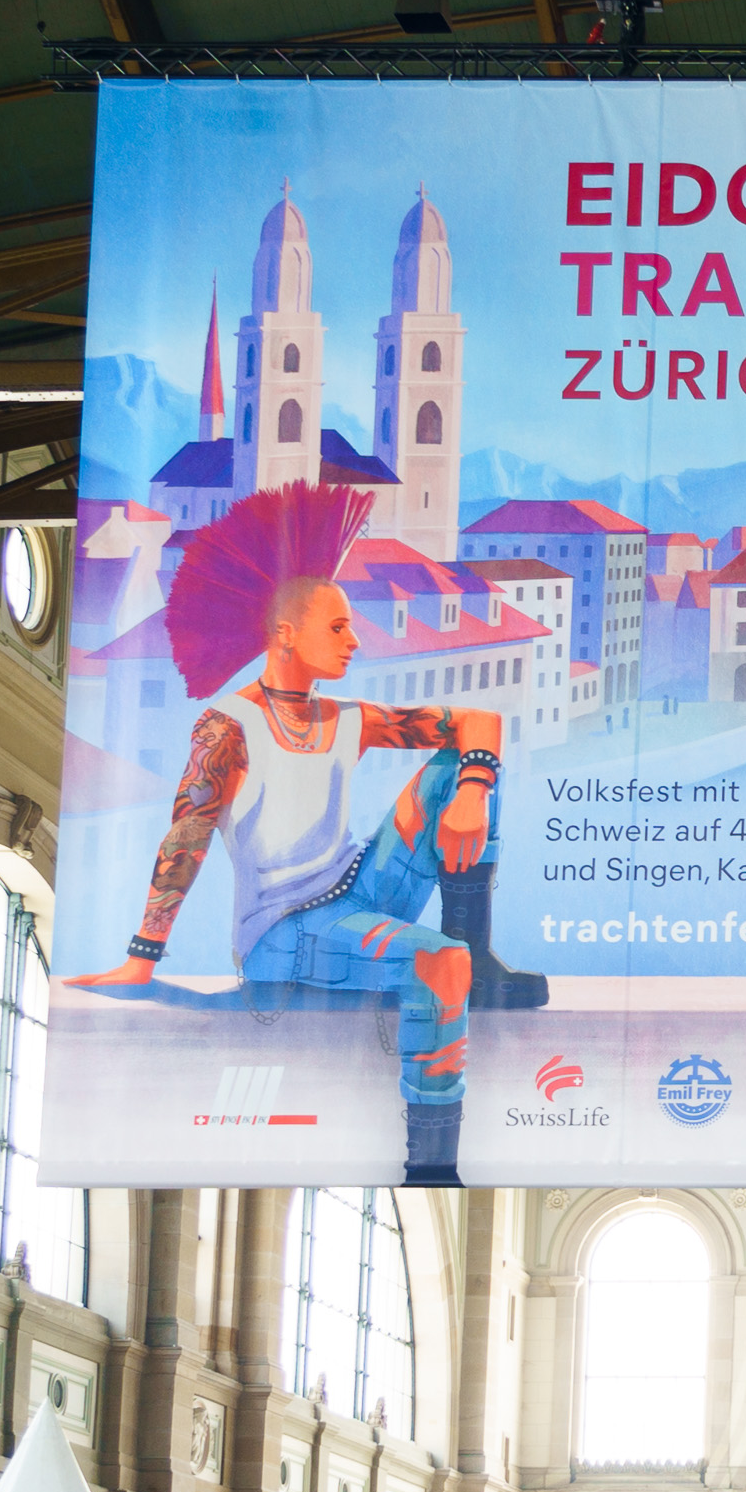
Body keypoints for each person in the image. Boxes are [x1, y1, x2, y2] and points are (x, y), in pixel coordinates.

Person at [62, 478, 533, 1188]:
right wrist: (142, 958)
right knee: (439, 962)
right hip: (286, 929)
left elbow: (480, 721)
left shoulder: (345, 718)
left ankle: (479, 954)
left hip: (362, 889)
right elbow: (185, 839)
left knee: (457, 766)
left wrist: (472, 788)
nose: (355, 639)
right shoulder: (228, 727)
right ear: (285, 633)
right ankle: (431, 1165)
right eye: (337, 627)